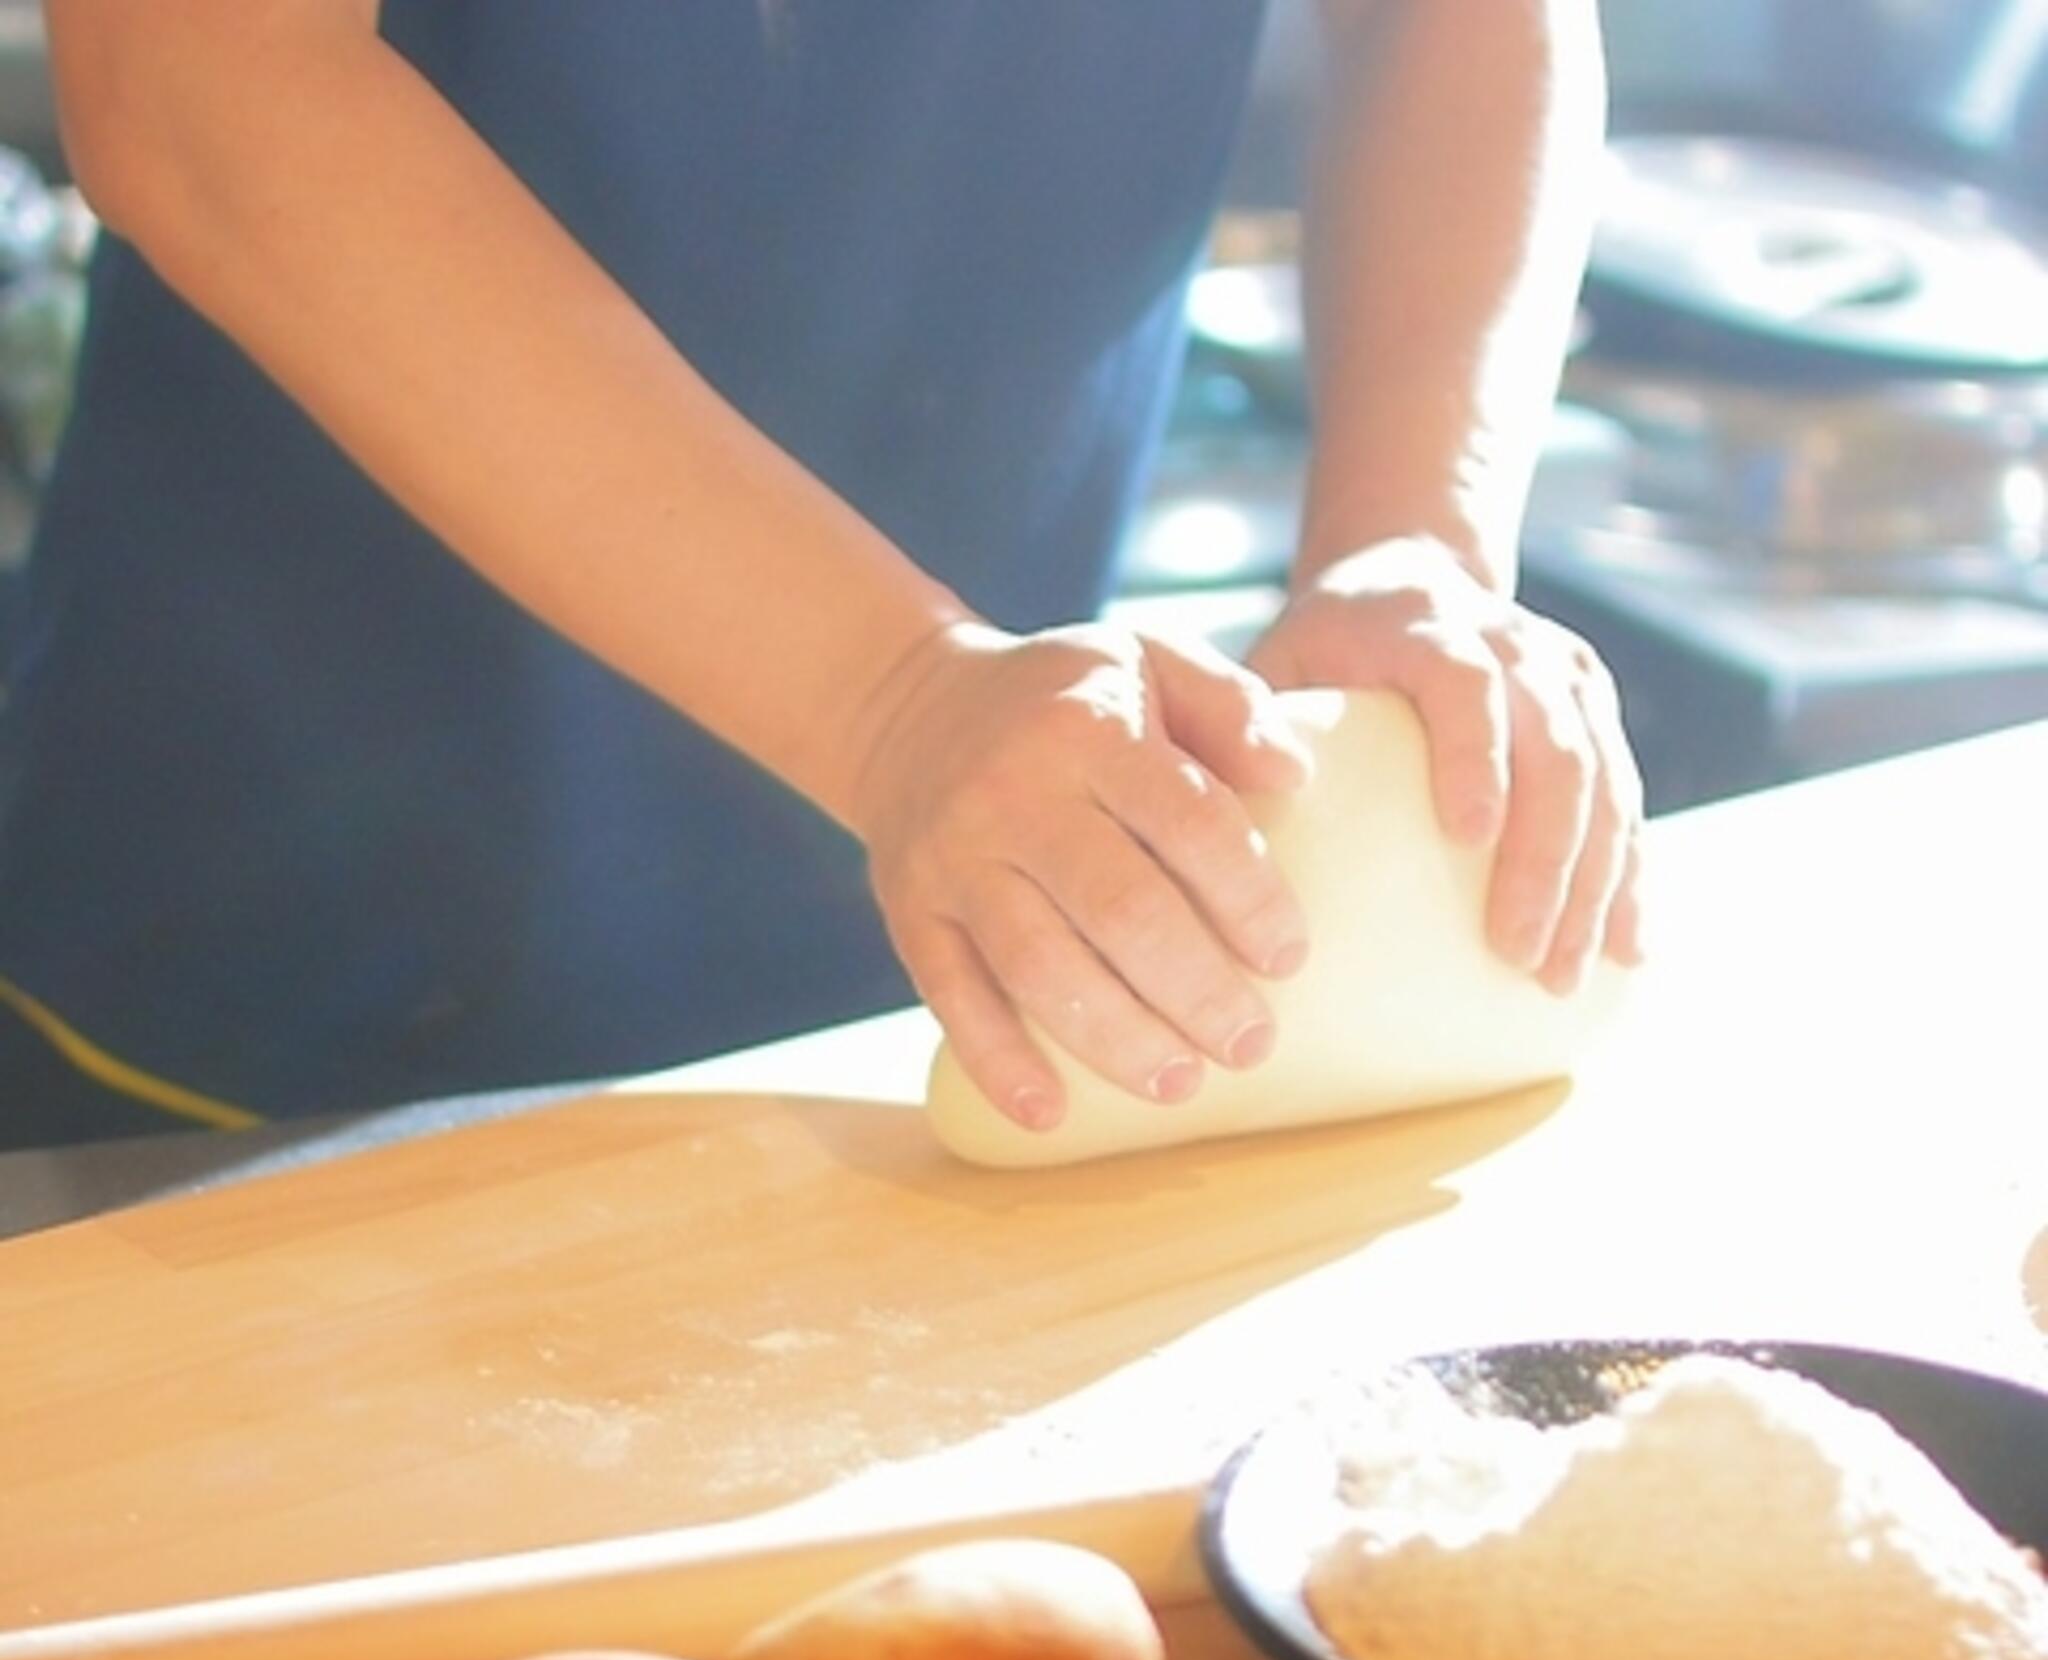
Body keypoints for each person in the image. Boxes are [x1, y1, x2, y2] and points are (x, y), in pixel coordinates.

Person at [0, 0, 1642, 1152]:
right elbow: (201, 83)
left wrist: (1415, 531)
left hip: (938, 963)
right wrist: (893, 697)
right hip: (271, 919)